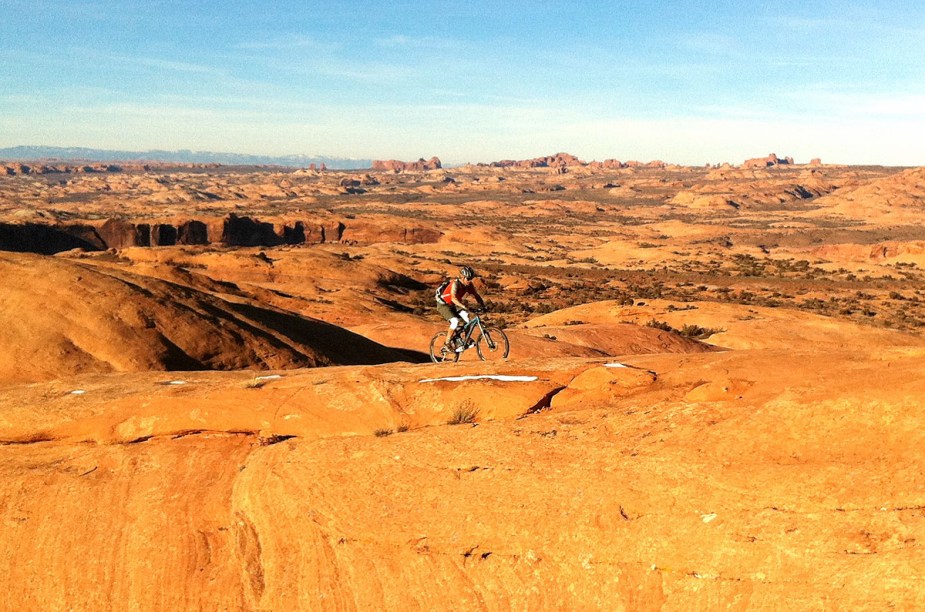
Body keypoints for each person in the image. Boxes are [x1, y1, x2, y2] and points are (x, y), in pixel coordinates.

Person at [436, 265, 486, 350]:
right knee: (455, 321)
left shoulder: (469, 285)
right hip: (444, 305)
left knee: (466, 317)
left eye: (471, 279)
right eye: (468, 279)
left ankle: (467, 339)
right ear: (463, 277)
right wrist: (463, 306)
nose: (469, 281)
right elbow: (453, 298)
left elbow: (476, 295)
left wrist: (483, 306)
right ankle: (447, 343)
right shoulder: (455, 284)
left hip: (455, 304)